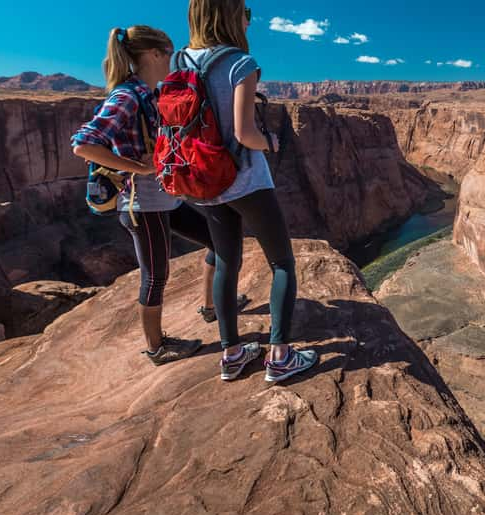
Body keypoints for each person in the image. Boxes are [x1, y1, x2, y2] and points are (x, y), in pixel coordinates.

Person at [71, 25, 247, 365]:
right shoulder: (126, 95)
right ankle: (156, 348)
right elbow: (84, 144)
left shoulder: (153, 92)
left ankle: (210, 307)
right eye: (169, 53)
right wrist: (136, 167)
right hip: (142, 203)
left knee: (218, 239)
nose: (174, 59)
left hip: (167, 196)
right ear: (154, 54)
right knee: (155, 276)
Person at [183, 0, 318, 382]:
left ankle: (232, 355)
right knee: (282, 264)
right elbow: (245, 134)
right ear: (231, 16)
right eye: (246, 12)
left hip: (203, 181)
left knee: (226, 261)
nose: (249, 18)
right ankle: (280, 356)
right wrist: (272, 142)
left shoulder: (177, 63)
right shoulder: (240, 63)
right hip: (244, 181)